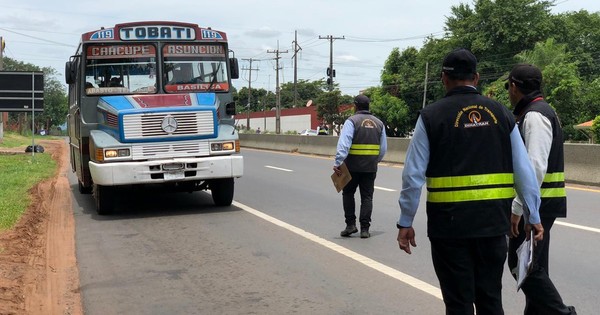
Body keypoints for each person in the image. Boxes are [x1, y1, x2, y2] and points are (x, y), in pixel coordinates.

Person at [396, 48, 544, 315]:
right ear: (476, 78)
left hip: (448, 229)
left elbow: (412, 175)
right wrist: (532, 215)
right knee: (490, 300)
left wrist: (406, 221)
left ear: (443, 78)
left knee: (458, 303)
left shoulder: (431, 116)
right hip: (492, 227)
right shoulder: (502, 113)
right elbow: (524, 170)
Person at [505, 64, 577, 314]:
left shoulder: (535, 115)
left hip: (538, 202)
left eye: (508, 87)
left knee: (520, 264)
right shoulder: (542, 111)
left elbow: (534, 166)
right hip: (543, 201)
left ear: (514, 86)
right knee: (533, 267)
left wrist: (518, 207)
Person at [333, 95, 387, 238]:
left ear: (355, 106)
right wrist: (374, 161)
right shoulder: (379, 123)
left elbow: (344, 145)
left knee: (348, 193)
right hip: (370, 167)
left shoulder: (352, 121)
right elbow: (383, 150)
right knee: (367, 197)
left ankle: (350, 225)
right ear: (369, 106)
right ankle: (365, 229)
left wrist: (338, 162)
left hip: (351, 167)